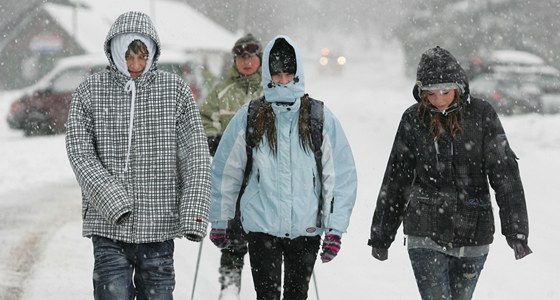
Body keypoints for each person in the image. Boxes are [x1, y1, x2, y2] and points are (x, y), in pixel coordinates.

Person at [65, 11, 211, 299]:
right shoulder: (90, 92)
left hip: (159, 227)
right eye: (128, 57)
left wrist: (194, 212)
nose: (135, 65)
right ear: (116, 52)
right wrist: (112, 200)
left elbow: (194, 154)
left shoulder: (175, 91)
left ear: (152, 54)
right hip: (108, 226)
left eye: (142, 57)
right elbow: (80, 152)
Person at [368, 46, 532, 300]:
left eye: (445, 91)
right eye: (431, 94)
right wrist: (381, 234)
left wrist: (516, 230)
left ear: (459, 86)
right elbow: (397, 178)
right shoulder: (413, 119)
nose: (439, 100)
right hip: (424, 232)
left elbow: (505, 174)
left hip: (473, 232)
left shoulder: (482, 114)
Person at [208, 35, 358, 300]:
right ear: (268, 75)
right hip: (261, 227)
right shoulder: (250, 115)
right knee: (266, 296)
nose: (283, 81)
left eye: (289, 75)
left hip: (306, 228)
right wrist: (220, 219)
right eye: (277, 76)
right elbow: (226, 171)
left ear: (298, 74)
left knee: (296, 295)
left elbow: (339, 175)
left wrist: (335, 228)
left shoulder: (318, 117)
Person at [199, 33, 264, 298]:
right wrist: (217, 143)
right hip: (234, 180)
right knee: (233, 239)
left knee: (264, 240)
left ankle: (266, 289)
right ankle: (229, 288)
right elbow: (204, 121)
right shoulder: (221, 90)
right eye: (241, 58)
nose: (247, 63)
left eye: (252, 58)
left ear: (260, 59)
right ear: (235, 60)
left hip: (265, 180)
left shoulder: (271, 89)